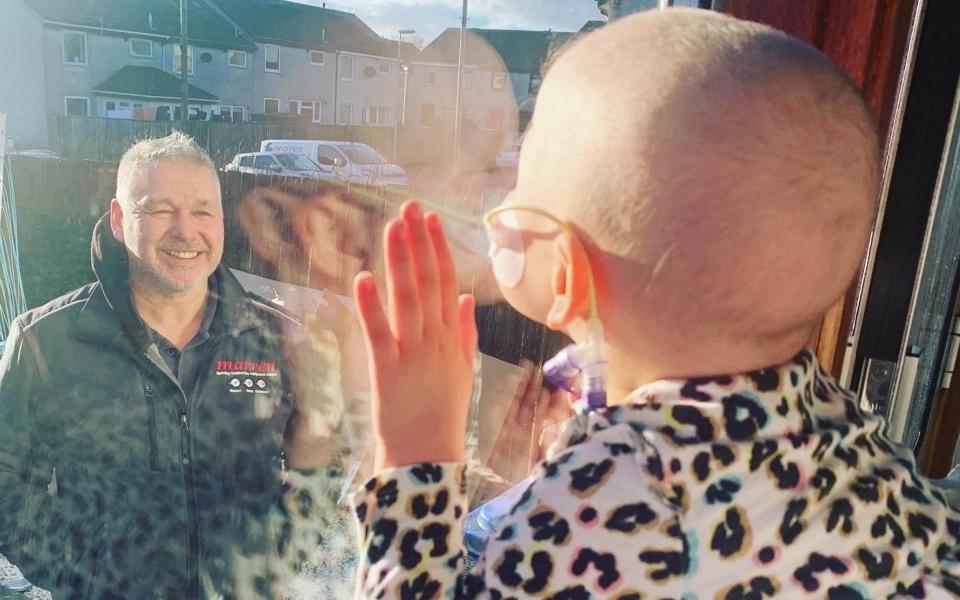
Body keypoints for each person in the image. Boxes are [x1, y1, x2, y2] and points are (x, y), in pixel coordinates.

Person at [349, 9, 960, 599]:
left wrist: (417, 456)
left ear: (565, 276)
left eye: (519, 186)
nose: (495, 201)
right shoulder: (830, 421)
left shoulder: (608, 497)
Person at [0, 132, 345, 598]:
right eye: (160, 209)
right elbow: (7, 482)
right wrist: (82, 575)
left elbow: (320, 466)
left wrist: (273, 564)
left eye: (203, 211)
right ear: (119, 220)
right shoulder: (47, 343)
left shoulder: (281, 341)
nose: (185, 231)